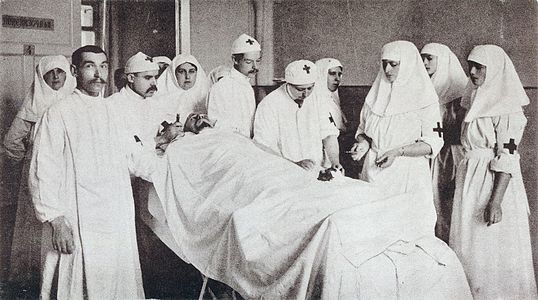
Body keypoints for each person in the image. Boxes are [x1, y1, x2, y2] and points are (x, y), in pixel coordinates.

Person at [29, 45, 157, 299]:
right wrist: (56, 221)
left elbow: (136, 158)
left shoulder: (114, 112)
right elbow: (43, 170)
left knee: (118, 282)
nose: (98, 74)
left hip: (116, 217)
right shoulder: (58, 114)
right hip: (77, 219)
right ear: (75, 71)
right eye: (90, 66)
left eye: (103, 66)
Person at [449, 45, 537, 299]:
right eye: (470, 66)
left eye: (479, 67)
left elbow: (507, 157)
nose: (472, 72)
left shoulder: (508, 109)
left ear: (495, 70)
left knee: (490, 248)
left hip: (492, 184)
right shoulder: (475, 100)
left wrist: (496, 201)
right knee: (469, 246)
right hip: (471, 181)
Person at [349, 40, 443, 229]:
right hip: (374, 171)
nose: (387, 69)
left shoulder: (426, 100)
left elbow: (433, 143)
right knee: (372, 228)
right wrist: (363, 144)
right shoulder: (374, 98)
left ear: (407, 64)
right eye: (384, 63)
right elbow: (363, 131)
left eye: (394, 64)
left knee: (405, 229)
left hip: (407, 175)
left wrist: (397, 152)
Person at [4, 55, 75, 291]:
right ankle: (34, 277)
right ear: (42, 77)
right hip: (39, 173)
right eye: (50, 73)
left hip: (68, 171)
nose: (56, 77)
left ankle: (61, 279)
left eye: (60, 71)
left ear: (68, 74)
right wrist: (27, 163)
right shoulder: (33, 105)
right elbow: (11, 143)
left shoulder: (74, 102)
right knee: (36, 224)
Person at [254, 60, 342, 172]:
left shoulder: (317, 97)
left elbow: (328, 133)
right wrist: (292, 164)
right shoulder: (270, 104)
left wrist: (335, 162)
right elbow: (264, 146)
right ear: (288, 84)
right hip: (283, 171)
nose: (306, 94)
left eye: (310, 88)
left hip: (315, 169)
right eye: (300, 89)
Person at [420, 43, 468, 242]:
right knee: (431, 203)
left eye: (429, 58)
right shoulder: (425, 89)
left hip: (452, 156)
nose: (424, 63)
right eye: (422, 58)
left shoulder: (461, 94)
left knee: (449, 201)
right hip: (431, 155)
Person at [207, 33, 261, 138]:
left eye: (258, 61)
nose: (255, 66)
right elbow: (218, 126)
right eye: (249, 62)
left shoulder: (246, 85)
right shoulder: (222, 87)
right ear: (235, 60)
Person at [107, 52, 162, 149]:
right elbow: (122, 146)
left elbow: (163, 127)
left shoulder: (154, 103)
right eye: (148, 78)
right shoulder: (112, 105)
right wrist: (161, 140)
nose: (154, 83)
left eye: (155, 77)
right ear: (131, 78)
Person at [156, 53, 210, 124]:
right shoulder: (159, 96)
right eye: (181, 71)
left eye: (191, 71)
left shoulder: (206, 95)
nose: (187, 76)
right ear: (173, 74)